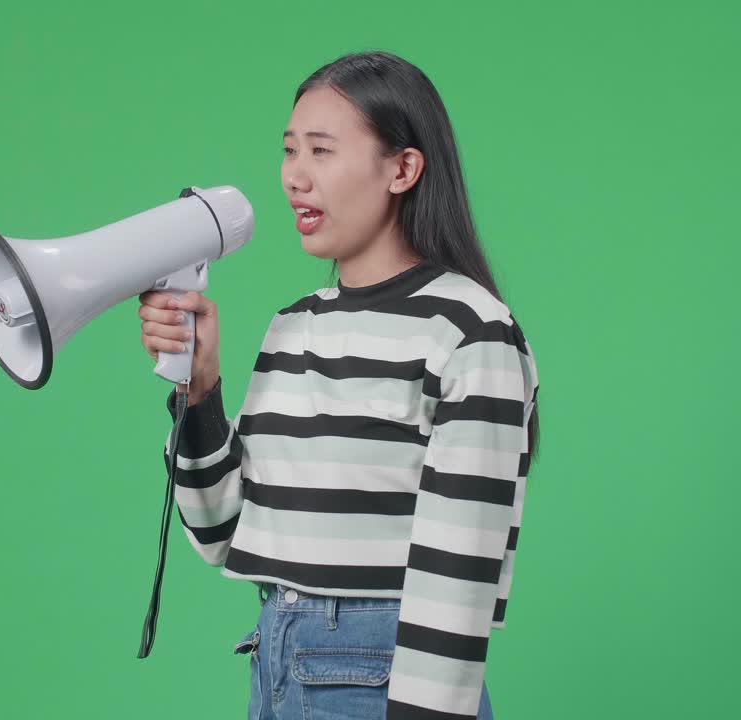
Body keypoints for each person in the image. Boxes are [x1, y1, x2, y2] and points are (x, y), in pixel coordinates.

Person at [138, 50, 540, 720]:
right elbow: (222, 533)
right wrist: (199, 391)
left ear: (403, 168)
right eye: (290, 151)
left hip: (387, 680)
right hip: (279, 666)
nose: (296, 177)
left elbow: (458, 576)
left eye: (322, 151)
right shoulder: (293, 326)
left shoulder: (470, 330)